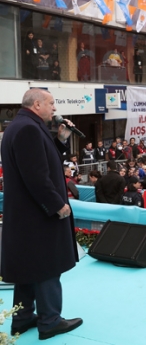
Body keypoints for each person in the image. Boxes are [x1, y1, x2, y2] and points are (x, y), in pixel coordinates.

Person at [1, 88, 82, 340]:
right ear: (37, 104)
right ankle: (50, 320)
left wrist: (60, 140)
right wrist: (57, 204)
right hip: (38, 214)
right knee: (48, 265)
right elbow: (36, 176)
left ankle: (23, 318)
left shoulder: (22, 126)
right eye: (51, 103)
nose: (54, 108)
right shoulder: (28, 129)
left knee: (28, 265)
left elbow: (41, 161)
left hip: (26, 215)